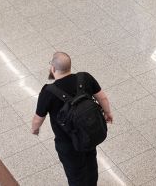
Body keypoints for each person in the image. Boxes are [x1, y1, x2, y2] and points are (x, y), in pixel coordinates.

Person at [31, 52, 113, 186]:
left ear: (53, 68)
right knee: (91, 165)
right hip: (88, 133)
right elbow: (102, 97)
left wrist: (35, 129)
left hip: (67, 142)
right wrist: (108, 113)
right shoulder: (85, 77)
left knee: (75, 174)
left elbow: (38, 119)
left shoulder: (48, 91)